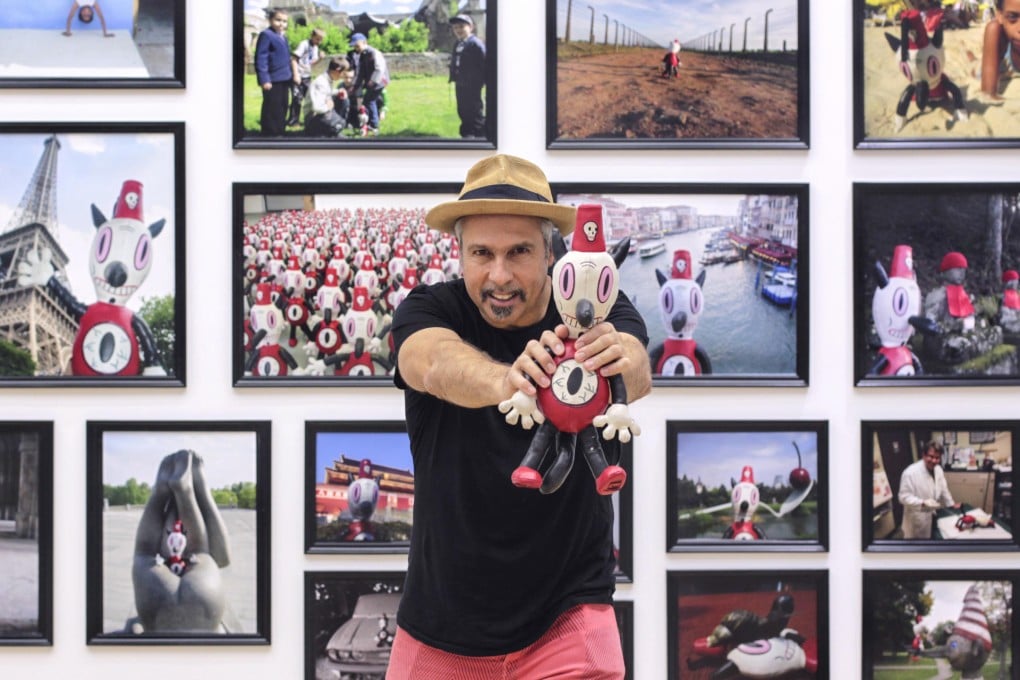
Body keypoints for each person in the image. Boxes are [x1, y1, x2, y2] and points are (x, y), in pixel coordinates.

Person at [386, 154, 652, 678]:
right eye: (482, 253)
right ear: (459, 254)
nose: (499, 275)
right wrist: (508, 380)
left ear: (551, 253)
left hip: (569, 619)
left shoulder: (597, 306)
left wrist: (612, 357)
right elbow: (432, 362)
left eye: (519, 252)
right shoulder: (429, 308)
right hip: (440, 626)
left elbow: (637, 365)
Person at [898, 441, 961, 539]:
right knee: (917, 547)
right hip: (917, 517)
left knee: (931, 537)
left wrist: (951, 504)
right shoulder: (910, 473)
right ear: (923, 455)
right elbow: (903, 497)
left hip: (931, 514)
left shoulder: (938, 469)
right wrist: (922, 503)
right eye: (931, 456)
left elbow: (944, 489)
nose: (934, 461)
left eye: (937, 458)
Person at [254, 9, 293, 137]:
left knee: (283, 105)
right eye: (278, 20)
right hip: (272, 79)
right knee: (272, 107)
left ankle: (280, 130)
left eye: (284, 21)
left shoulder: (283, 37)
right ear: (270, 20)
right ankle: (269, 132)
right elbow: (261, 57)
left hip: (284, 78)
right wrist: (264, 79)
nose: (282, 24)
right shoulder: (266, 35)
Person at [448, 14, 487, 138]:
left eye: (461, 26)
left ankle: (479, 133)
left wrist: (485, 80)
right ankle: (466, 131)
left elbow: (485, 62)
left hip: (473, 83)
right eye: (455, 28)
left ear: (471, 27)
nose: (458, 30)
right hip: (460, 82)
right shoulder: (458, 44)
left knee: (474, 109)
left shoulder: (475, 44)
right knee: (462, 108)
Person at [349, 32, 389, 134]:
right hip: (372, 82)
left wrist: (373, 80)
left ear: (364, 42)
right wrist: (355, 85)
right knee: (371, 101)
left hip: (379, 81)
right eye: (354, 47)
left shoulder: (374, 52)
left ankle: (374, 125)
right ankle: (371, 122)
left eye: (357, 46)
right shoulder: (363, 55)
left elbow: (380, 68)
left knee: (369, 100)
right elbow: (360, 72)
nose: (356, 49)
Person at [980, 0, 1020, 98]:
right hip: (1001, 65)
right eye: (1012, 17)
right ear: (1000, 16)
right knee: (975, 70)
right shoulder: (995, 30)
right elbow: (988, 93)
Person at [303, 57, 351, 138]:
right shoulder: (320, 82)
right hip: (312, 118)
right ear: (337, 70)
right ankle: (327, 131)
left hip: (323, 114)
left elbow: (326, 92)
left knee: (344, 101)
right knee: (339, 124)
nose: (344, 76)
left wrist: (338, 91)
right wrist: (329, 107)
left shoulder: (328, 79)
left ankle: (334, 128)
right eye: (343, 72)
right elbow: (317, 108)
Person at [287, 28, 325, 127]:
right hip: (298, 75)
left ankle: (310, 120)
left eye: (321, 40)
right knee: (297, 99)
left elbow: (311, 63)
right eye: (317, 39)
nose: (319, 42)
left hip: (307, 76)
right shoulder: (304, 44)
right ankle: (293, 121)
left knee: (310, 98)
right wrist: (296, 75)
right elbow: (294, 59)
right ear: (312, 36)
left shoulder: (315, 47)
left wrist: (320, 59)